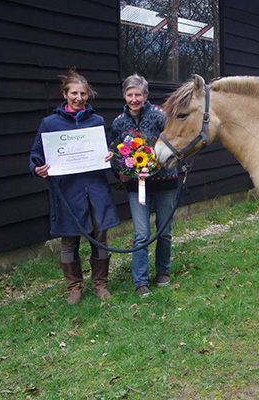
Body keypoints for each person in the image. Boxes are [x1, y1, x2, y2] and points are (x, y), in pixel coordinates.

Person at [29, 69, 120, 305]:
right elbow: (36, 154)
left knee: (100, 235)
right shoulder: (50, 124)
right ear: (65, 94)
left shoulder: (96, 121)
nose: (78, 98)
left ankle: (100, 284)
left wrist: (110, 153)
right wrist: (37, 168)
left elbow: (106, 148)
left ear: (88, 95)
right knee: (69, 240)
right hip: (67, 192)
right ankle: (75, 287)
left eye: (83, 93)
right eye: (74, 93)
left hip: (95, 190)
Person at [109, 73, 178, 297]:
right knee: (141, 233)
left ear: (145, 95)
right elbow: (113, 152)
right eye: (129, 95)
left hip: (164, 182)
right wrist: (120, 173)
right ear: (124, 96)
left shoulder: (161, 116)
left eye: (138, 94)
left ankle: (163, 271)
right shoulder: (119, 123)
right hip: (135, 187)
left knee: (164, 230)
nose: (134, 99)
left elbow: (175, 144)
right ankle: (140, 281)